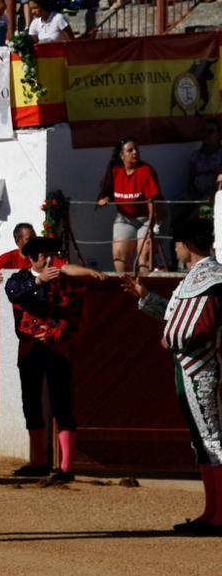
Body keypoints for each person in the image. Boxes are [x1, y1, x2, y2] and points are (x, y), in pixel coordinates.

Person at [122, 216, 222, 534]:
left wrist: (173, 338)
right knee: (203, 440)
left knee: (212, 440)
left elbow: (200, 325)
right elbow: (176, 314)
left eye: (177, 243)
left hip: (202, 369)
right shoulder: (197, 277)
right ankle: (213, 511)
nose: (174, 248)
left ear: (187, 245)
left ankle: (219, 515)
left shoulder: (211, 278)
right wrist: (145, 297)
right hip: (192, 369)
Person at [3, 236, 106, 481]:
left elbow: (71, 281)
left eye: (51, 255)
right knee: (31, 403)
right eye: (43, 257)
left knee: (61, 403)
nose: (49, 260)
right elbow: (13, 294)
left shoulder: (62, 278)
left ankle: (66, 466)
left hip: (56, 347)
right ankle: (38, 461)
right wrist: (39, 281)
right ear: (31, 259)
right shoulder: (19, 279)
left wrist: (91, 272)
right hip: (29, 348)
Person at [96, 137, 162, 273]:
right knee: (119, 255)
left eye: (136, 149)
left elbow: (153, 202)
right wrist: (106, 198)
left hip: (147, 218)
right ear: (121, 155)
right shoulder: (115, 171)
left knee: (144, 256)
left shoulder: (146, 170)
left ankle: (143, 290)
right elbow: (108, 191)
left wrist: (153, 225)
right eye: (130, 150)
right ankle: (125, 288)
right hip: (124, 219)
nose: (135, 152)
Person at [188, 119, 222, 202]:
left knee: (202, 210)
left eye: (210, 131)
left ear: (218, 134)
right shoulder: (195, 156)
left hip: (216, 198)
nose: (206, 134)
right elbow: (190, 181)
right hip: (196, 197)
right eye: (204, 131)